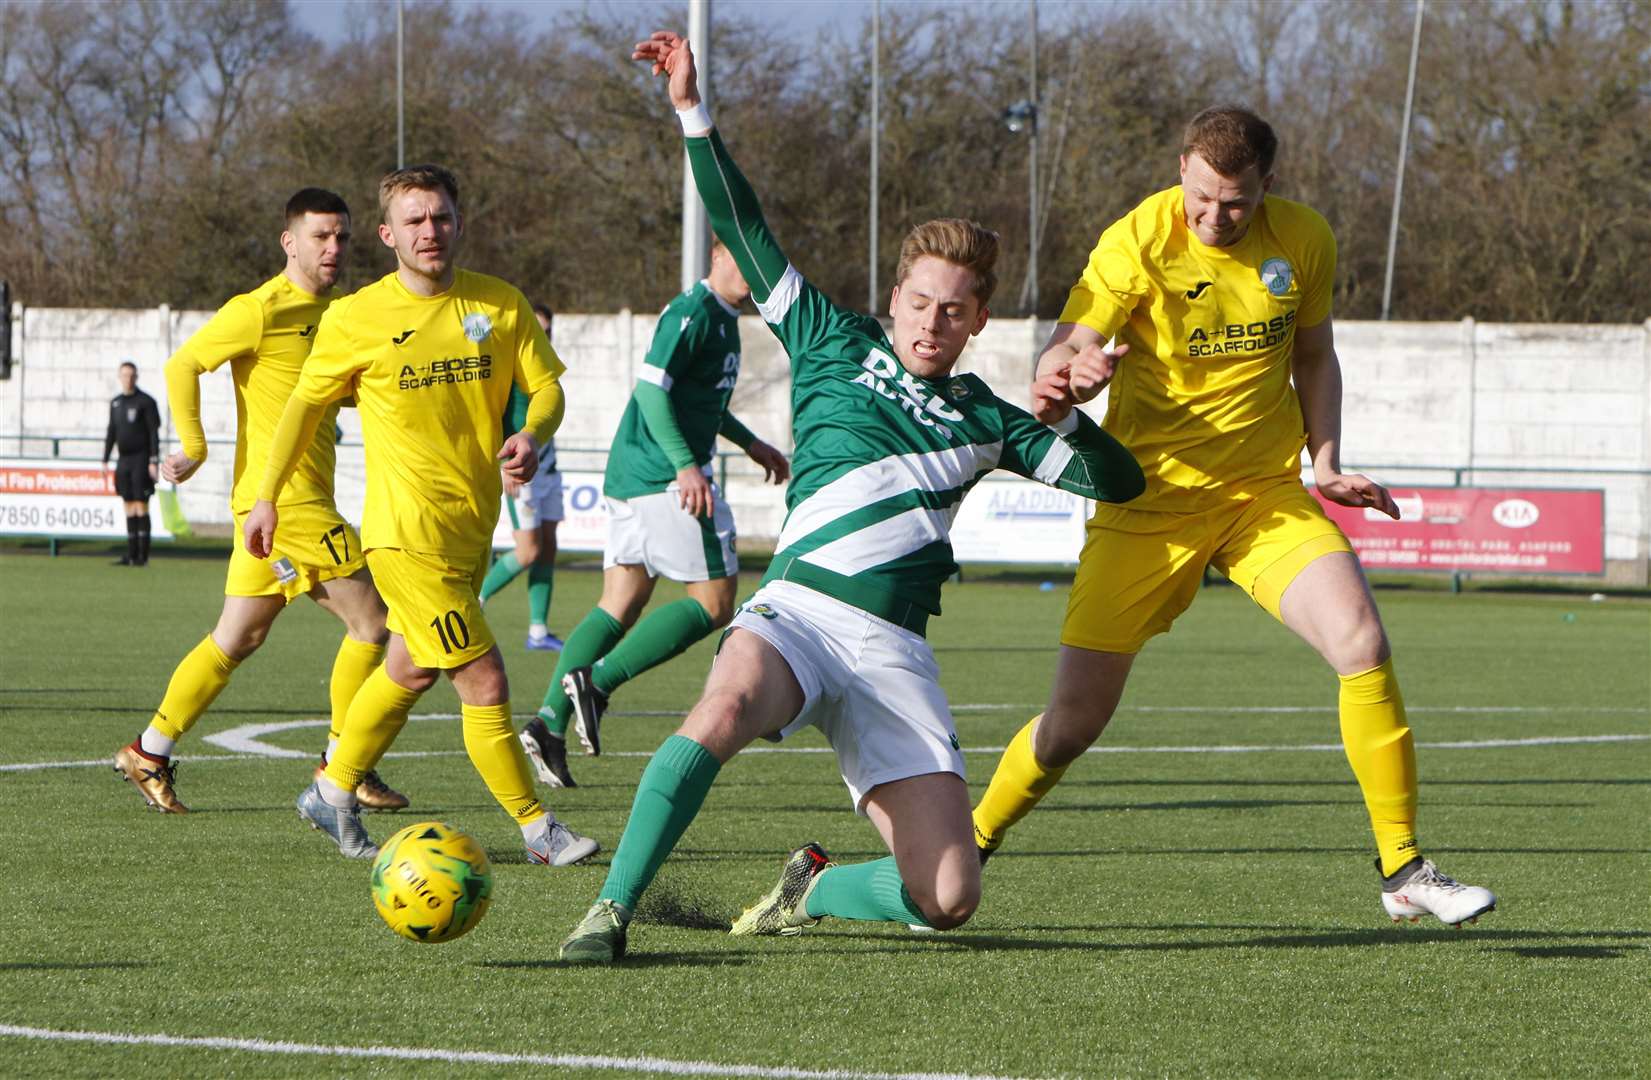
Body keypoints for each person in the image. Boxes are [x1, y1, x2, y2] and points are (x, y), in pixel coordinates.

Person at [556, 32, 1144, 964]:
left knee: (949, 896)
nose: (930, 320)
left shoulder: (993, 417)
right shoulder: (830, 336)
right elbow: (743, 226)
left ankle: (815, 889)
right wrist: (691, 111)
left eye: (952, 309)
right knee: (718, 709)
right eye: (918, 301)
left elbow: (1121, 485)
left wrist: (1069, 413)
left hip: (894, 650)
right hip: (795, 615)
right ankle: (609, 912)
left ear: (978, 319)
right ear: (895, 295)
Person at [969, 106, 1496, 927]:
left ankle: (1401, 867)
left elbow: (1314, 355)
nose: (1217, 218)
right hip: (1147, 508)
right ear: (1181, 168)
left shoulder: (1304, 239)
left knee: (1361, 644)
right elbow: (1069, 342)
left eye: (1237, 204)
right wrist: (1064, 377)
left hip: (1261, 497)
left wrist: (1322, 463)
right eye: (1205, 198)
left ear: (1267, 188)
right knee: (1072, 723)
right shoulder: (1135, 241)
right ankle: (968, 840)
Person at [245, 164, 598, 867]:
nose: (429, 231)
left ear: (458, 223)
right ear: (387, 235)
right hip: (405, 537)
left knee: (407, 668)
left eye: (440, 217)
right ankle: (538, 829)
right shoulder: (354, 318)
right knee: (485, 678)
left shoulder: (497, 305)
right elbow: (300, 409)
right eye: (414, 221)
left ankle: (333, 785)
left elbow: (547, 385)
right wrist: (265, 495)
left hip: (471, 530)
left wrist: (532, 434)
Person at [112, 188, 409, 816]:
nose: (334, 248)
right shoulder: (260, 309)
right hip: (290, 504)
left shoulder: (342, 313)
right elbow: (183, 364)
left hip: (266, 510)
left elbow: (329, 388)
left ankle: (150, 749)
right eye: (321, 236)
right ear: (289, 241)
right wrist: (194, 445)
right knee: (374, 622)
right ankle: (344, 766)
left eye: (342, 237)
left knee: (236, 638)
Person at [519, 240, 789, 790]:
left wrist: (750, 442)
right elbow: (650, 391)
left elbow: (699, 403)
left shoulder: (723, 320)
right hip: (660, 477)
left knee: (618, 603)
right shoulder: (693, 312)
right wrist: (686, 467)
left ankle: (549, 723)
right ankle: (596, 683)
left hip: (634, 475)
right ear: (715, 254)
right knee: (715, 599)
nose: (752, 273)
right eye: (741, 258)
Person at [479, 301, 565, 653]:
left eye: (547, 332)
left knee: (547, 549)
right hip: (518, 467)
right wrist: (503, 464)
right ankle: (478, 598)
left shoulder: (545, 364)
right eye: (538, 330)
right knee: (528, 551)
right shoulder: (507, 363)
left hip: (549, 467)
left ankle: (539, 631)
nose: (542, 336)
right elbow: (492, 414)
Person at [103, 361, 161, 566]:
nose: (128, 379)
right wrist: (105, 459)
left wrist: (153, 460)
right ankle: (130, 554)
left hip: (141, 458)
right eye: (125, 375)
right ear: (120, 377)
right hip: (124, 460)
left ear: (136, 377)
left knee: (140, 504)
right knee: (127, 503)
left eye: (131, 375)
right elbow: (112, 432)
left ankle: (142, 556)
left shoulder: (146, 402)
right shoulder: (116, 403)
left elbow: (154, 433)